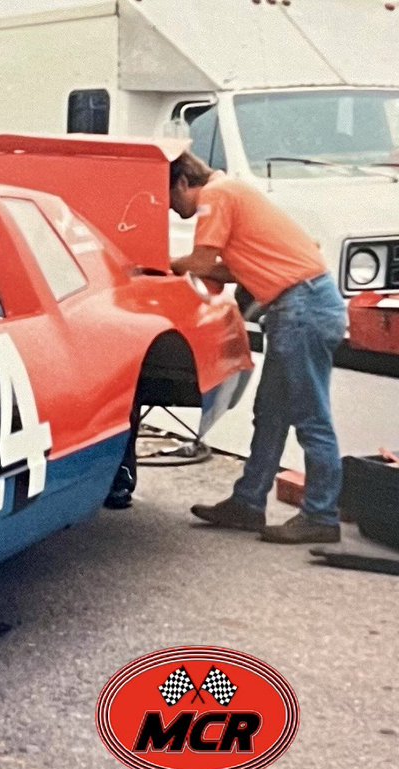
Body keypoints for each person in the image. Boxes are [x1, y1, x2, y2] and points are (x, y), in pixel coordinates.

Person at [169, 151, 347, 544]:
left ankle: (321, 514)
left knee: (310, 415)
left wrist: (166, 265)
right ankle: (248, 503)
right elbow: (231, 269)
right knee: (271, 411)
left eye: (170, 198)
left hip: (301, 306)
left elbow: (200, 260)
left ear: (183, 182)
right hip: (303, 303)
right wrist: (189, 266)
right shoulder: (234, 191)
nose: (171, 208)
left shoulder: (215, 196)